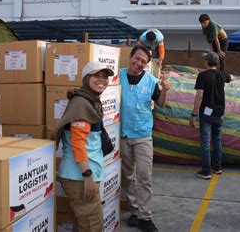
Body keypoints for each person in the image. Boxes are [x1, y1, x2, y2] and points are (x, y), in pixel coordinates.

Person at [52, 62, 114, 232]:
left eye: (105, 77)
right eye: (97, 76)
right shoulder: (81, 103)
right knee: (92, 225)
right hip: (79, 176)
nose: (102, 80)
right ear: (87, 79)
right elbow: (77, 143)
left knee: (84, 224)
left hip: (85, 174)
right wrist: (87, 176)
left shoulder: (91, 102)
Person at [120, 45, 171, 232]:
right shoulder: (117, 76)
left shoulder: (151, 81)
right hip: (123, 135)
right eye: (138, 58)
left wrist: (165, 90)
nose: (139, 63)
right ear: (131, 56)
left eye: (144, 61)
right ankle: (135, 211)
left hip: (142, 136)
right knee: (127, 176)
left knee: (144, 177)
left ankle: (145, 217)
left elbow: (161, 104)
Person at [189, 52, 232, 179]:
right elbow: (231, 78)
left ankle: (206, 171)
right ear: (217, 63)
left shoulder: (202, 76)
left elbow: (199, 96)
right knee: (217, 141)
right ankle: (217, 168)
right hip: (219, 114)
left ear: (206, 62)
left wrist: (193, 114)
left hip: (206, 115)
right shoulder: (222, 74)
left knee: (206, 143)